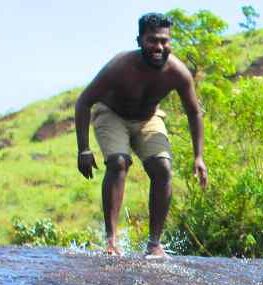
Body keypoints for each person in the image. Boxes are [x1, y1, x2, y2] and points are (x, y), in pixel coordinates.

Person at [74, 13, 208, 258]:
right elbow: (83, 102)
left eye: (164, 41)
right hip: (112, 114)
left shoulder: (177, 72)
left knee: (163, 167)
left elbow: (194, 112)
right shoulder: (119, 66)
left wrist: (199, 156)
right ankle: (112, 241)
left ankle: (154, 244)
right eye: (152, 40)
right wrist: (83, 149)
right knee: (118, 162)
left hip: (149, 118)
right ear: (139, 40)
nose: (159, 47)